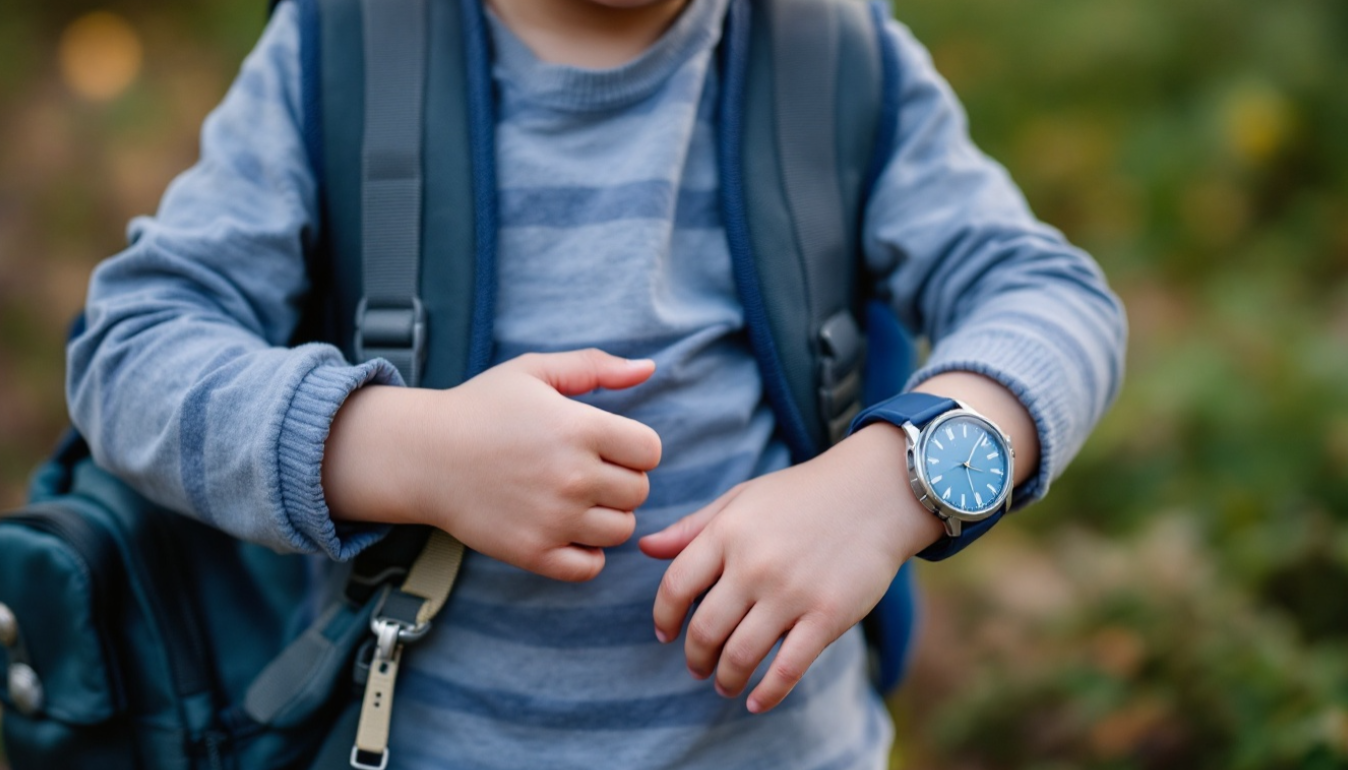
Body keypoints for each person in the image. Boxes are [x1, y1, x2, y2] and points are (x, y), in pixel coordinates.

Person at [66, 0, 1126, 767]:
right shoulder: (342, 46)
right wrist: (405, 448)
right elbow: (130, 351)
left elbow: (1053, 298)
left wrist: (893, 483)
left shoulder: (834, 54)